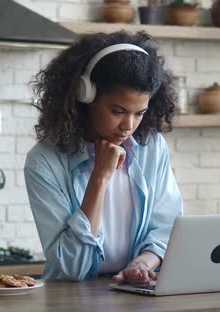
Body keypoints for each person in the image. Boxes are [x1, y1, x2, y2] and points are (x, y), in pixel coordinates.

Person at [24, 31, 183, 285]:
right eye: (117, 111)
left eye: (139, 113)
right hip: (68, 298)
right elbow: (71, 267)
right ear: (84, 96)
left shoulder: (151, 146)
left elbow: (167, 227)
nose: (128, 125)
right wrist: (99, 176)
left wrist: (142, 263)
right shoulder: (45, 161)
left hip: (134, 293)